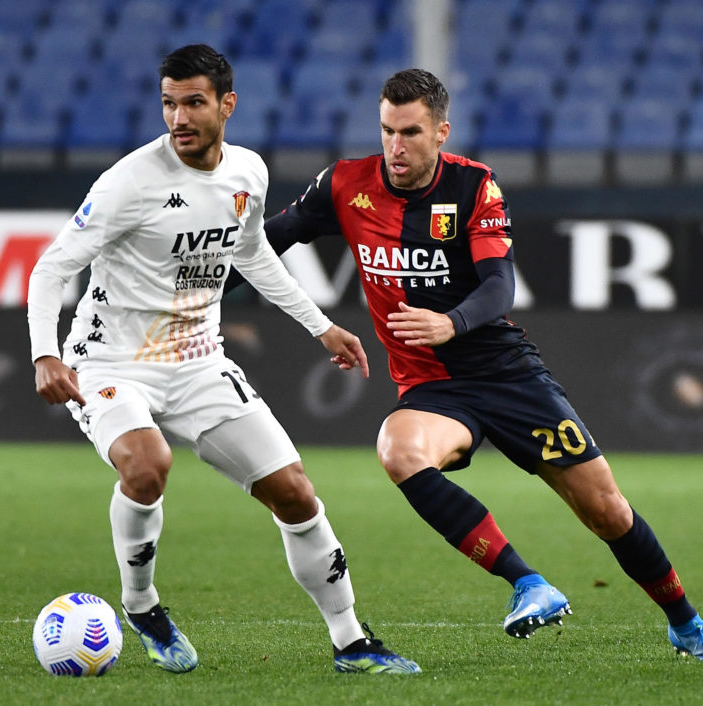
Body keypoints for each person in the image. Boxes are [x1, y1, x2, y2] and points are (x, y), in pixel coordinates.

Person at [226, 68, 703, 663]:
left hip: (508, 375)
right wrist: (193, 289)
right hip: (433, 387)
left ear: (441, 132)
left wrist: (451, 323)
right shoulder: (347, 184)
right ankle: (528, 583)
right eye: (387, 131)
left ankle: (686, 624)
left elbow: (500, 285)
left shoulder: (474, 187)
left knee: (605, 509)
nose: (396, 147)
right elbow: (265, 245)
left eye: (412, 133)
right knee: (399, 451)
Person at [25, 44, 420, 675]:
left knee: (294, 493)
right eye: (168, 104)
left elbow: (254, 253)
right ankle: (141, 603)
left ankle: (351, 641)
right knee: (147, 466)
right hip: (109, 363)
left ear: (226, 105)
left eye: (193, 103)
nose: (178, 118)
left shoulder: (248, 174)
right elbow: (53, 267)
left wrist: (320, 326)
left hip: (199, 361)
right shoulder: (130, 181)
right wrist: (47, 354)